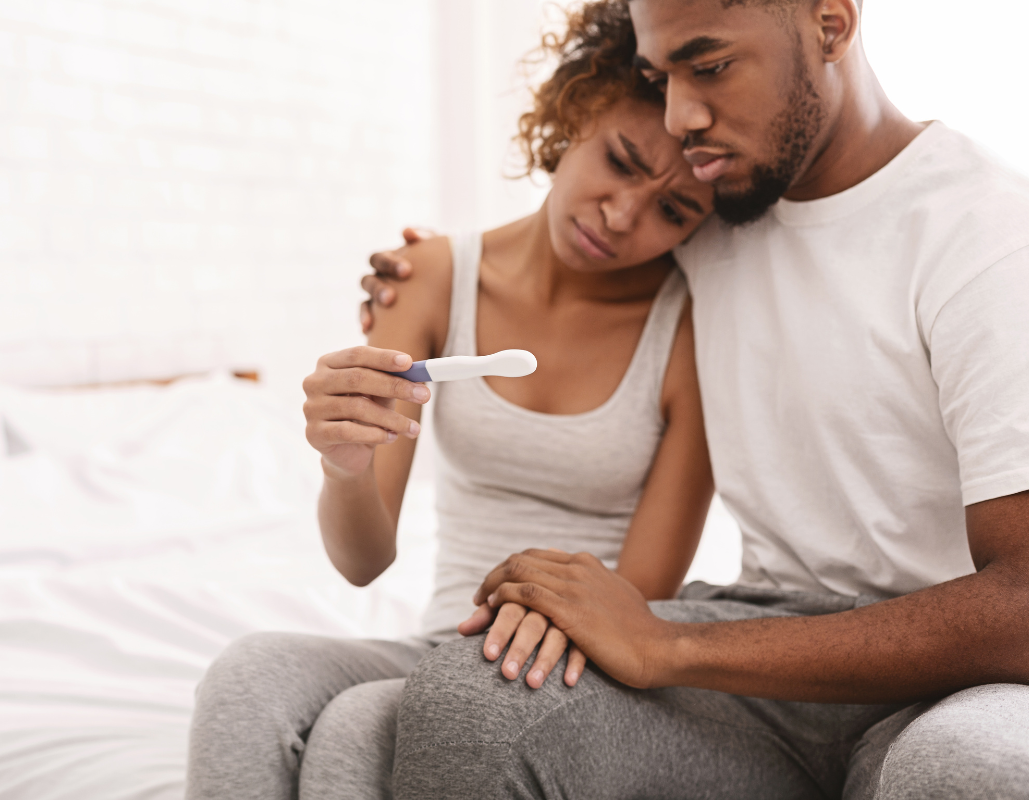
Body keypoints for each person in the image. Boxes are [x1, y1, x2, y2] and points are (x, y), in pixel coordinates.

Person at [363, 0, 1029, 797]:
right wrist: (428, 274)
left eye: (709, 66)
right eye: (660, 77)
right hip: (763, 635)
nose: (681, 117)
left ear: (831, 24)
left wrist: (669, 647)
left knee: (963, 769)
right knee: (474, 702)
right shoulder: (712, 208)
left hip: (956, 673)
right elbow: (573, 247)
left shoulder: (988, 238)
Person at [184, 5, 717, 799]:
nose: (621, 214)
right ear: (575, 111)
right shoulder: (431, 276)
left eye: (673, 211)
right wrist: (345, 467)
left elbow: (640, 599)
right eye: (620, 161)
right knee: (247, 677)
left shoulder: (689, 332)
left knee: (360, 728)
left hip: (576, 665)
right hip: (440, 640)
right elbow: (363, 563)